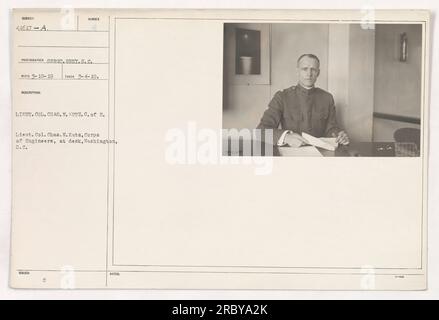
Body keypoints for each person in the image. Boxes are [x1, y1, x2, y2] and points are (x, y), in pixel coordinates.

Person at [257, 53, 349, 147]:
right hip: (292, 154)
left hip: (319, 154)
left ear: (318, 73)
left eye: (313, 69)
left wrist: (339, 136)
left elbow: (331, 129)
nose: (309, 74)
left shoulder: (327, 98)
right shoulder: (282, 97)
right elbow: (261, 131)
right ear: (298, 71)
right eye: (304, 69)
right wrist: (286, 137)